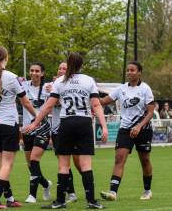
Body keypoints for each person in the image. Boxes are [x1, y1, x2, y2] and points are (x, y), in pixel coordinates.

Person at [25, 52, 108, 209]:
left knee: (63, 164)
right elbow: (96, 105)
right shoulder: (88, 80)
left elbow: (49, 105)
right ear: (81, 65)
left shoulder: (60, 82)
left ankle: (60, 201)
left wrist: (35, 123)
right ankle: (91, 201)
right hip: (84, 123)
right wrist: (103, 126)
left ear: (68, 65)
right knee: (86, 164)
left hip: (66, 123)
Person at [0, 17, 37, 209]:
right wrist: (38, 116)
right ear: (6, 58)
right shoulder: (12, 78)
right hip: (7, 124)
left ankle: (10, 197)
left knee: (1, 164)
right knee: (8, 165)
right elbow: (25, 102)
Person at [99, 61, 155, 201]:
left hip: (143, 129)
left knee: (145, 160)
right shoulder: (121, 88)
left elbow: (150, 112)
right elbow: (103, 101)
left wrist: (139, 126)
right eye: (128, 70)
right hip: (125, 129)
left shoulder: (145, 89)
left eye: (133, 70)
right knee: (119, 159)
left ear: (139, 72)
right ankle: (113, 192)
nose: (129, 72)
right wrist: (90, 97)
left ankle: (147, 191)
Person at [45, 61, 79, 204]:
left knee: (75, 163)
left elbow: (59, 103)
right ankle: (70, 192)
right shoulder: (54, 85)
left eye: (64, 68)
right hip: (56, 129)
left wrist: (54, 91)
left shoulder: (71, 85)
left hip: (69, 129)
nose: (61, 70)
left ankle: (71, 193)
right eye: (59, 68)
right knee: (63, 162)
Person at [22, 62, 52, 204]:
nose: (34, 73)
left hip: (43, 128)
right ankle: (46, 184)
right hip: (27, 128)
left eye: (37, 71)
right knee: (30, 165)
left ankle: (32, 195)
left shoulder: (48, 88)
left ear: (42, 73)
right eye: (32, 70)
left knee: (34, 160)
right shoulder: (22, 85)